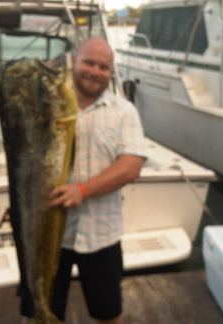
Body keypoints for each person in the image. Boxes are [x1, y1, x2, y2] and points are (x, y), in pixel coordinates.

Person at [48, 37, 146, 324]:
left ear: (111, 72)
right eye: (89, 62)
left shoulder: (123, 111)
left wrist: (83, 190)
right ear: (74, 63)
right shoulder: (48, 106)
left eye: (104, 67)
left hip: (101, 234)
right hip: (51, 236)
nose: (95, 71)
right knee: (41, 311)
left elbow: (131, 166)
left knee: (109, 314)